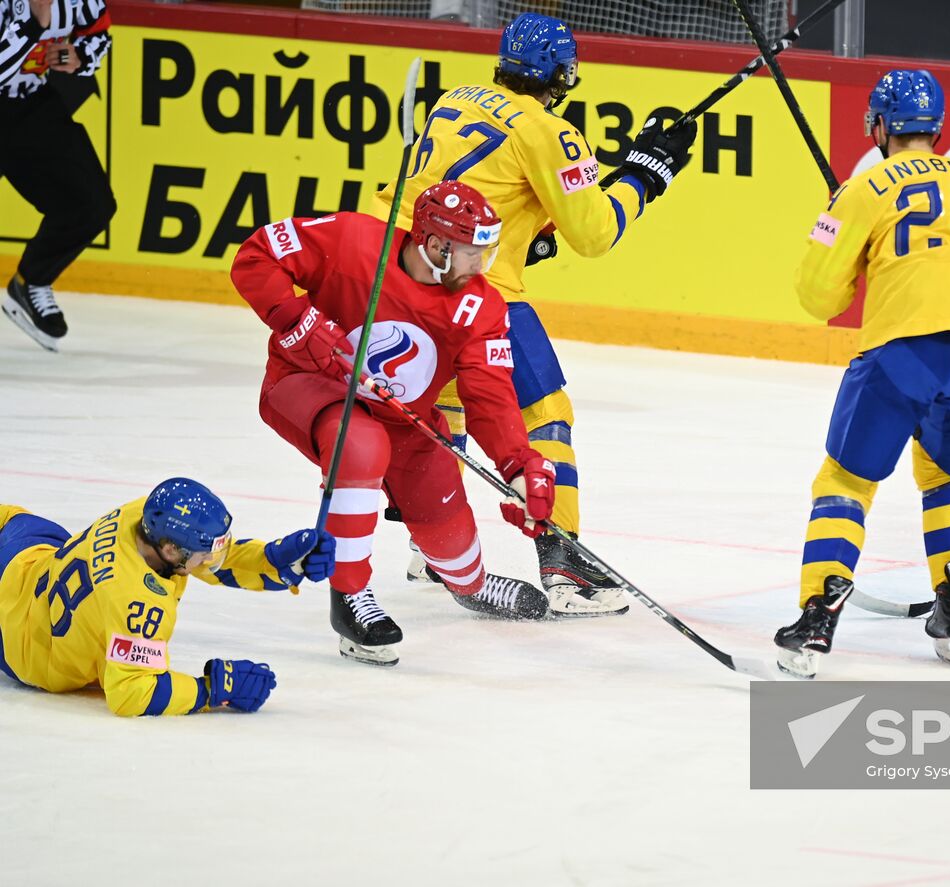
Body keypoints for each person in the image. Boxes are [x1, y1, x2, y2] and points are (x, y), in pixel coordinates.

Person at [374, 11, 696, 617]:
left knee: (441, 403)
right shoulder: (551, 129)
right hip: (474, 289)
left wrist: (528, 234)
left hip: (400, 271)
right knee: (545, 413)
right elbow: (595, 233)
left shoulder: (457, 99)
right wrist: (647, 172)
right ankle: (563, 562)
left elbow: (490, 189)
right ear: (565, 74)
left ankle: (431, 541)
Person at [231, 181, 557, 667]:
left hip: (406, 419)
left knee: (449, 537)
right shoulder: (352, 241)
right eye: (472, 253)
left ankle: (470, 584)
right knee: (360, 443)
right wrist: (295, 318)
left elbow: (489, 396)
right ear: (434, 245)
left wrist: (517, 464)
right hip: (307, 384)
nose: (480, 267)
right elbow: (256, 256)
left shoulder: (480, 308)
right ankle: (350, 596)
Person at [771, 69, 950, 677]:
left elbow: (818, 296)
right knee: (948, 475)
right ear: (938, 128)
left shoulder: (865, 188)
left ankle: (816, 619)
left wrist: (838, 232)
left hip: (908, 351)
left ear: (882, 126)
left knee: (845, 480)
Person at [0, 478, 334, 716]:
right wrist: (211, 691)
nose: (210, 560)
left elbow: (207, 560)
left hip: (27, 554)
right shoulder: (137, 602)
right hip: (20, 642)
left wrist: (276, 562)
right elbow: (132, 692)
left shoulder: (141, 516)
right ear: (170, 550)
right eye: (204, 553)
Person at [0, 0, 114, 352]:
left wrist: (79, 56)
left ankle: (31, 281)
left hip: (30, 105)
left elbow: (100, 35)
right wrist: (37, 21)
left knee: (91, 204)